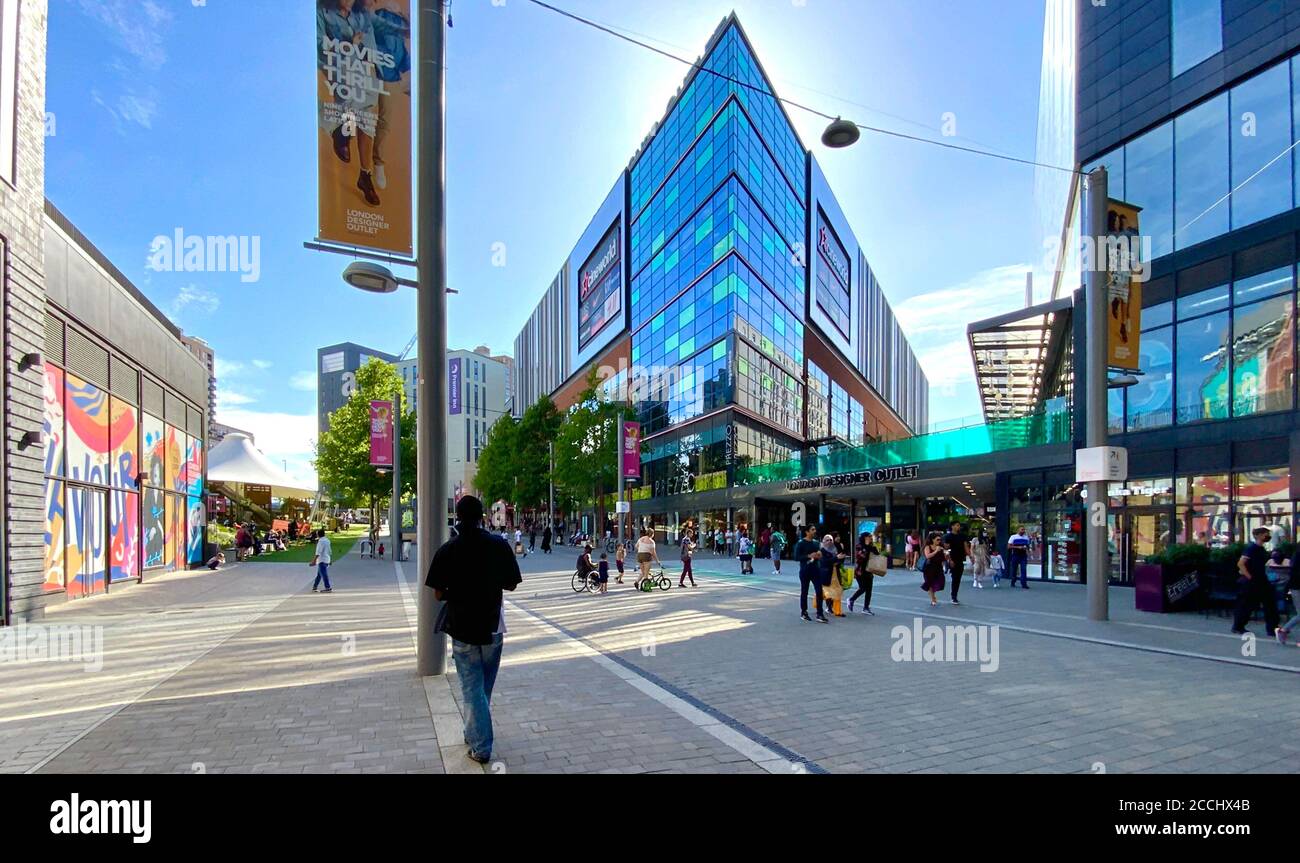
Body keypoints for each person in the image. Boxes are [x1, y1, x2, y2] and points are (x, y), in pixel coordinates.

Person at [425, 495, 523, 765]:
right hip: (492, 626)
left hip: (462, 627)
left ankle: (480, 746)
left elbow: (437, 593)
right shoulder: (498, 545)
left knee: (472, 688)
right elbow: (512, 583)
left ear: (457, 516)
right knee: (482, 689)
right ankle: (475, 732)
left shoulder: (448, 549)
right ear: (483, 517)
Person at [1232, 527, 1279, 638]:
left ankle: (1272, 628)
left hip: (1262, 579)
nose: (1267, 536)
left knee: (1270, 603)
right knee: (1247, 604)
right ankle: (1238, 626)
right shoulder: (1251, 548)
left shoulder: (1261, 549)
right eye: (1265, 534)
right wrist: (1249, 577)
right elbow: (1241, 563)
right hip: (1252, 581)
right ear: (1258, 535)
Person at [794, 527, 828, 623]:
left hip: (816, 570)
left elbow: (822, 554)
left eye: (814, 529)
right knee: (804, 591)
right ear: (807, 532)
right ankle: (804, 612)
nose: (814, 531)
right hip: (805, 570)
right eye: (812, 530)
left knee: (819, 591)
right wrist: (808, 556)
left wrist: (819, 554)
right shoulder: (801, 543)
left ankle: (820, 613)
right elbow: (796, 557)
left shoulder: (816, 543)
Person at [848, 532, 877, 615]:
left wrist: (873, 548)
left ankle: (866, 607)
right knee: (863, 588)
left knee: (869, 590)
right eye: (869, 536)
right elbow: (861, 557)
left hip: (869, 571)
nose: (870, 538)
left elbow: (876, 556)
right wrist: (867, 546)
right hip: (860, 571)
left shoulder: (872, 547)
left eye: (871, 536)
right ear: (864, 538)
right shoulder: (859, 546)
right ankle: (851, 599)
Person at [943, 522, 971, 606]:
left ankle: (954, 595)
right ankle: (953, 596)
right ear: (952, 526)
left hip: (960, 559)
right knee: (955, 577)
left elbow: (965, 547)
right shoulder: (948, 536)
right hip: (952, 558)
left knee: (958, 578)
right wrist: (949, 560)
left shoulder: (962, 536)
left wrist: (970, 556)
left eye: (959, 525)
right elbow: (946, 549)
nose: (958, 527)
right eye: (957, 525)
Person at [920, 532, 946, 607]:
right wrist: (936, 551)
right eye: (937, 539)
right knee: (930, 583)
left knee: (940, 581)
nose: (939, 541)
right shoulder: (928, 547)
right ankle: (933, 598)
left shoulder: (941, 547)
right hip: (929, 568)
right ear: (933, 540)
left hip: (938, 567)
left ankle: (932, 594)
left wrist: (946, 555)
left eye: (940, 540)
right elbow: (928, 556)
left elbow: (943, 558)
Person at [310, 529, 333, 594]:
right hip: (327, 559)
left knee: (323, 574)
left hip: (322, 560)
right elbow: (329, 551)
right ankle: (315, 587)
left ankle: (327, 587)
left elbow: (318, 552)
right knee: (319, 574)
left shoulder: (320, 541)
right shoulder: (327, 540)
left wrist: (313, 561)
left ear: (318, 535)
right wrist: (330, 560)